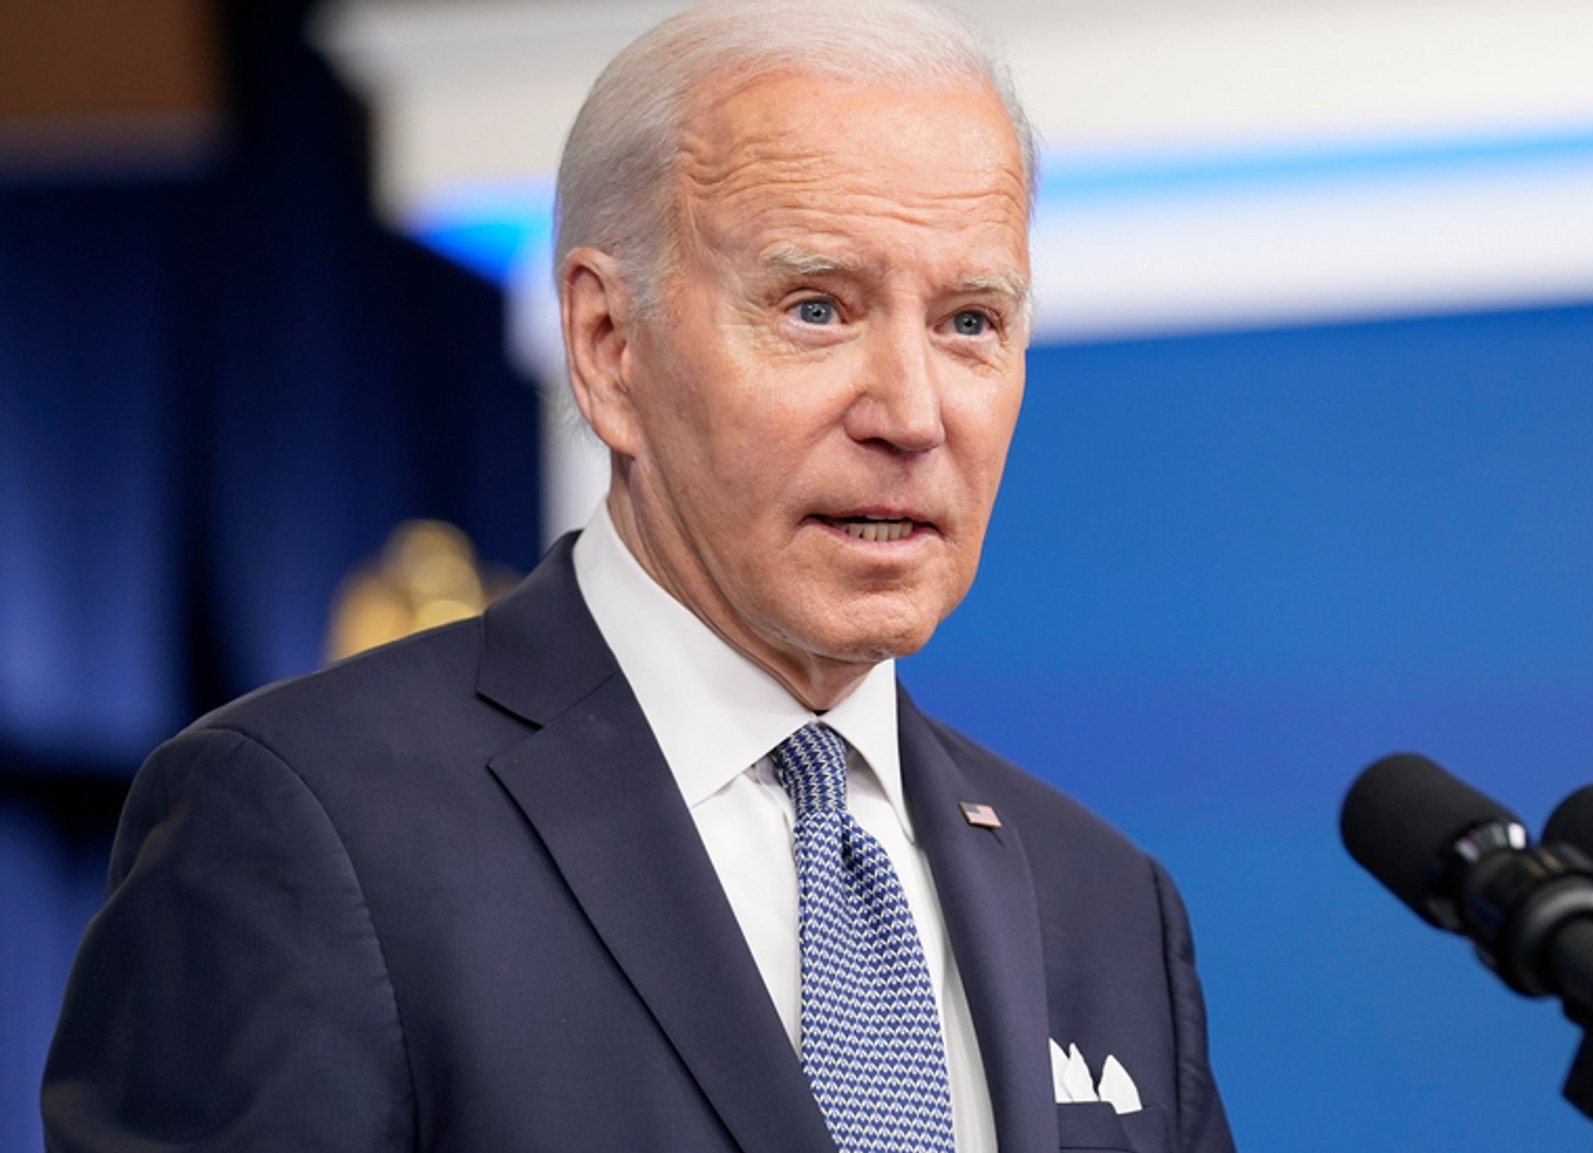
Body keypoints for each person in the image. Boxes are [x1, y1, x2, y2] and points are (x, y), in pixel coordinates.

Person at [41, 2, 1236, 1151]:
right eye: (816, 307)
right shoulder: (309, 827)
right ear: (608, 349)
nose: (913, 415)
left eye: (970, 321)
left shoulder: (1106, 905)